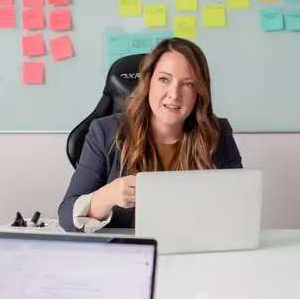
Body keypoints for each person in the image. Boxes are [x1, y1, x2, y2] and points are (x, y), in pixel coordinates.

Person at [58, 37, 242, 233]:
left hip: (193, 249)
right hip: (128, 253)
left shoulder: (217, 132)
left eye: (188, 84)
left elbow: (241, 206)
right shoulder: (105, 132)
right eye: (164, 79)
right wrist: (107, 196)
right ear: (148, 82)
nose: (174, 94)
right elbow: (67, 217)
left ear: (199, 92)